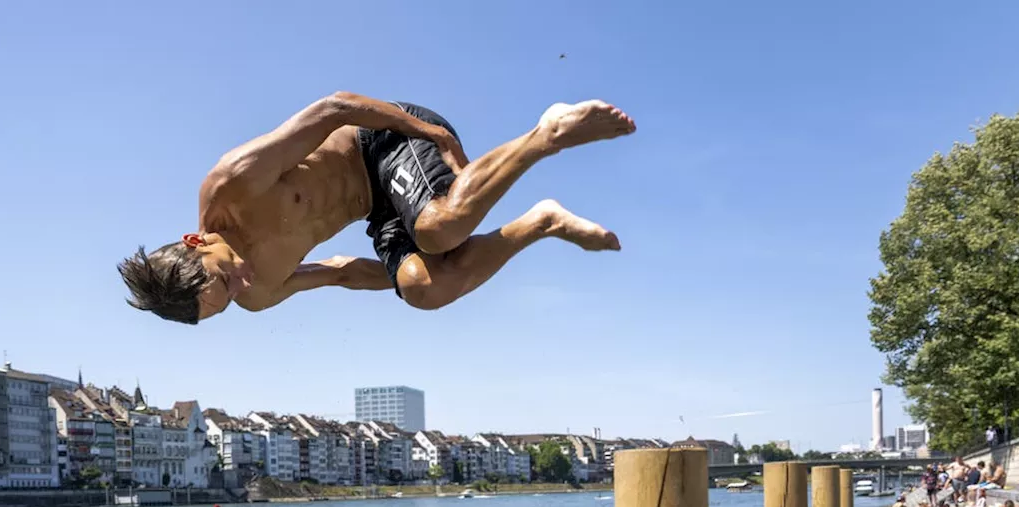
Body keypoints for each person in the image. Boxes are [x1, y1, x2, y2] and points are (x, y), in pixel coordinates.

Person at [118, 93, 635, 324]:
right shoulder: (257, 296)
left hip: (382, 138)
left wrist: (430, 132)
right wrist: (405, 280)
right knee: (424, 290)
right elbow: (340, 274)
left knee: (438, 230)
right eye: (228, 300)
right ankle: (541, 222)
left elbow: (334, 109)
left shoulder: (230, 185)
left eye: (224, 278)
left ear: (196, 242)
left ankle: (549, 133)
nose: (241, 285)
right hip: (378, 206)